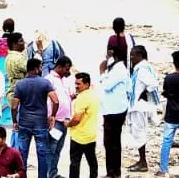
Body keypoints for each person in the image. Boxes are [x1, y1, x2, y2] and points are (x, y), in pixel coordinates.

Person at [11, 57, 59, 178]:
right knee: (42, 154)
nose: (41, 69)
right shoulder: (45, 83)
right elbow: (56, 101)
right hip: (40, 124)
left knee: (22, 154)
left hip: (24, 123)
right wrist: (52, 116)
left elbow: (14, 106)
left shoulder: (20, 85)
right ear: (36, 68)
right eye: (40, 67)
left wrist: (14, 121)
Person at [98, 44, 129, 178]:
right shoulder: (117, 69)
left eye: (109, 55)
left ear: (115, 56)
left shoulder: (119, 69)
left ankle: (113, 173)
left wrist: (102, 72)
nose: (106, 58)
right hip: (113, 109)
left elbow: (107, 86)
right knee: (112, 142)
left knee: (111, 142)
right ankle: (113, 172)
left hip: (114, 111)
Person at [125, 46, 159, 172]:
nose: (131, 58)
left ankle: (143, 162)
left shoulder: (142, 70)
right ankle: (141, 160)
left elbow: (153, 84)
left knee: (139, 133)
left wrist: (142, 94)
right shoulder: (142, 68)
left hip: (139, 106)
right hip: (139, 105)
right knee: (138, 132)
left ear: (140, 56)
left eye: (133, 55)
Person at [48, 56, 76, 178]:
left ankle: (53, 173)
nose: (67, 72)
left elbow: (67, 96)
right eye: (66, 69)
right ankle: (48, 174)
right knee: (51, 149)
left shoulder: (64, 79)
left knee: (58, 149)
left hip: (65, 120)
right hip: (55, 121)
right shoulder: (49, 79)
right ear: (59, 67)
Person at [67, 72, 98, 178]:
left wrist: (68, 124)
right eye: (75, 83)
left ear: (86, 84)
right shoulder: (93, 94)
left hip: (79, 136)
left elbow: (76, 119)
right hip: (91, 135)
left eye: (79, 84)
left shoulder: (82, 98)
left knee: (75, 163)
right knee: (92, 162)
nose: (76, 86)